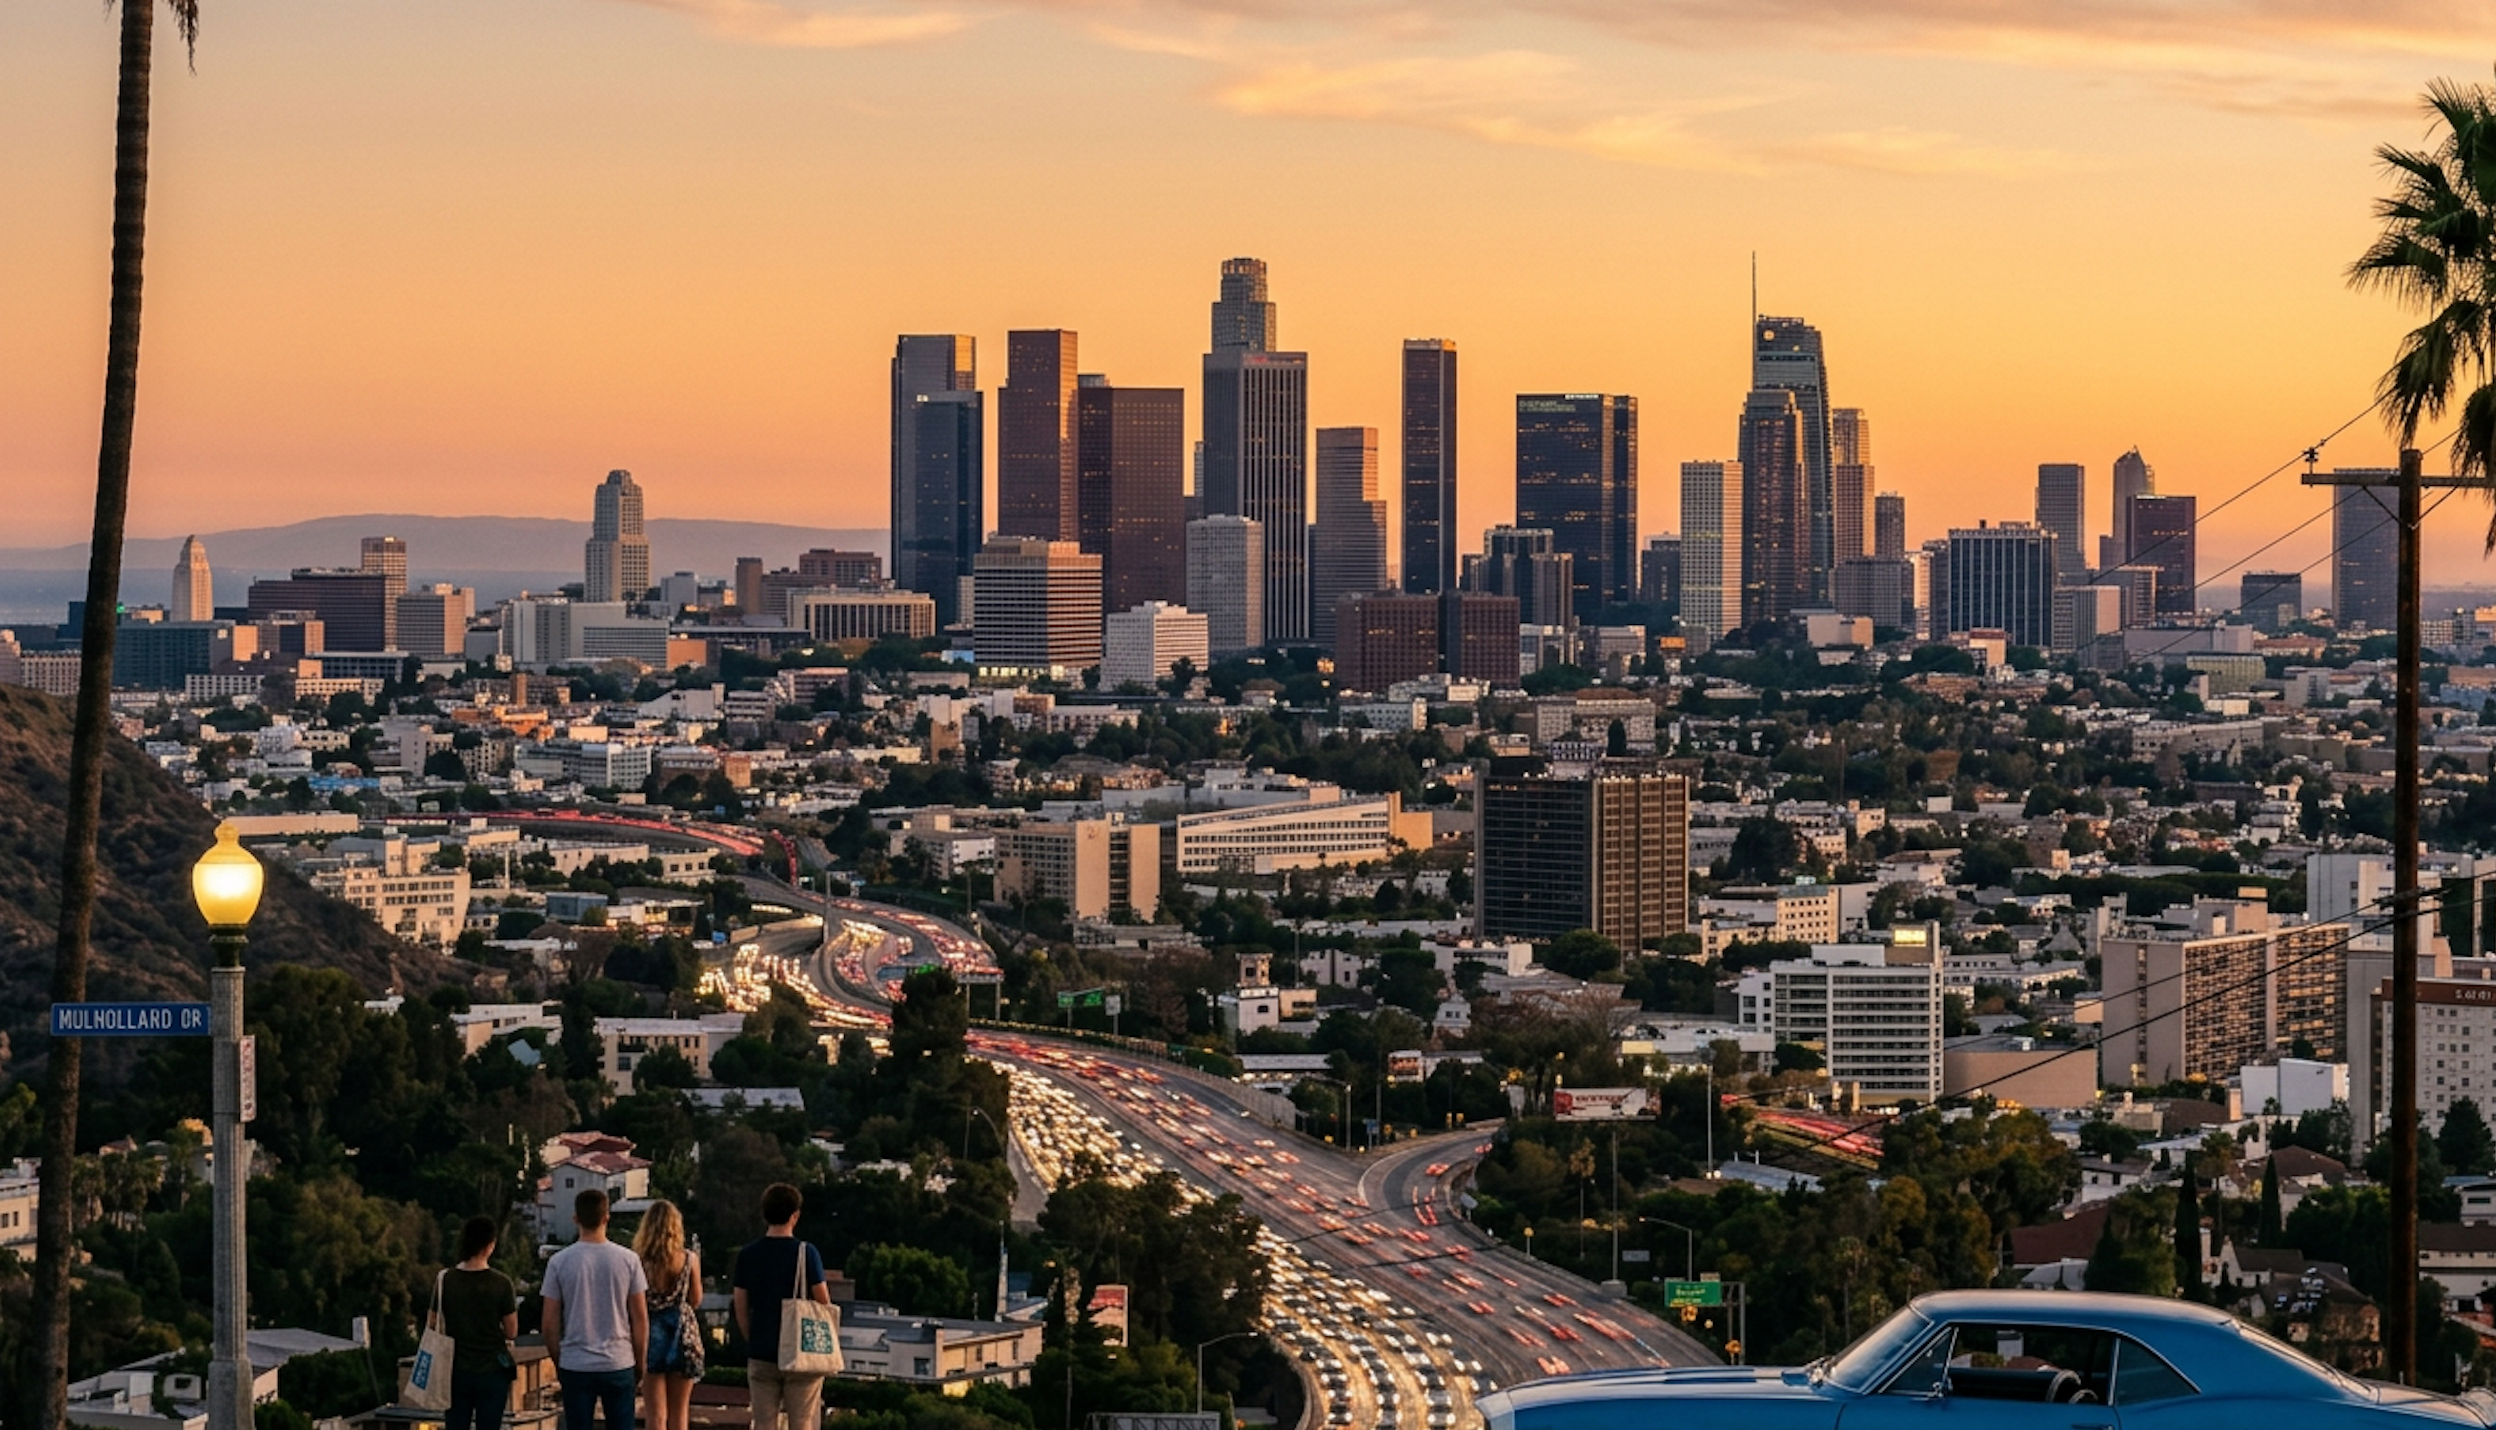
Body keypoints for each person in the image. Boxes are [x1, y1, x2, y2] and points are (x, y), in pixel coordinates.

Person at [542, 1189, 649, 1430]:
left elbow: (549, 1323)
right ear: (606, 1217)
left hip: (576, 1362)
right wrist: (640, 1362)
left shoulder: (558, 1262)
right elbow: (640, 1318)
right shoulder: (629, 1260)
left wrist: (559, 1359)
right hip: (618, 1361)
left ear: (576, 1219)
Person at [732, 1183, 829, 1430]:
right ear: (795, 1216)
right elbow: (823, 1302)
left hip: (762, 1348)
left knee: (764, 1422)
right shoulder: (806, 1253)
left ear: (765, 1214)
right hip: (799, 1350)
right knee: (802, 1421)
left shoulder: (748, 1255)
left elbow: (740, 1305)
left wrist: (751, 1337)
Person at [441, 1216, 519, 1430]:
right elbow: (512, 1331)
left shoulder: (446, 1280)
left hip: (456, 1370)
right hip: (492, 1370)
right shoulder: (502, 1283)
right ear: (490, 1245)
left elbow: (433, 1323)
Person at [633, 1199, 703, 1430]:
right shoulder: (689, 1259)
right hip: (683, 1336)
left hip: (650, 1335)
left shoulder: (638, 1262)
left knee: (655, 1415)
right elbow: (696, 1300)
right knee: (680, 1413)